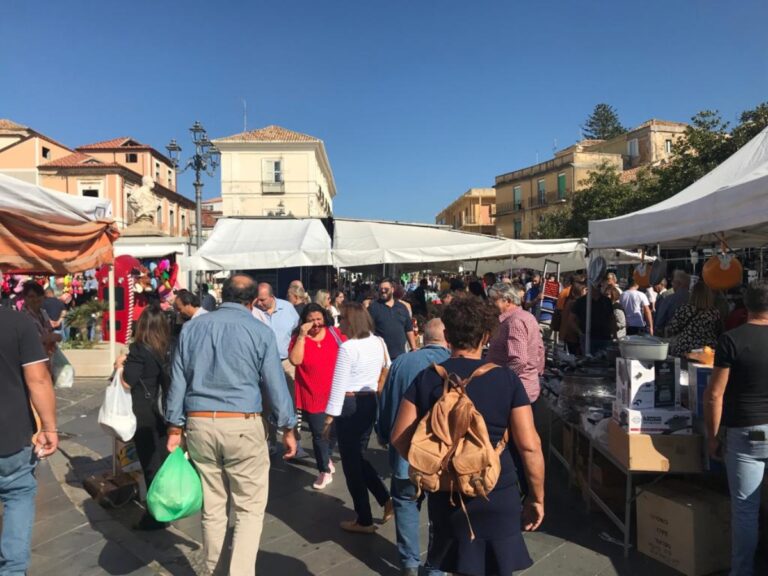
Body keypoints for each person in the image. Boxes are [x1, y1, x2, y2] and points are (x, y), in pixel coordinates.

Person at [391, 296, 545, 576]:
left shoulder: (427, 378)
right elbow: (530, 446)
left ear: (447, 335)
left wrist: (438, 464)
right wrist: (536, 498)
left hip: (448, 494)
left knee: (459, 565)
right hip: (496, 488)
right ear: (486, 336)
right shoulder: (507, 380)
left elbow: (399, 436)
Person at [165, 274, 297, 575]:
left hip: (199, 423)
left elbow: (178, 380)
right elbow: (275, 384)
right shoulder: (259, 331)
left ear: (222, 296)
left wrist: (174, 427)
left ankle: (214, 571)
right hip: (242, 423)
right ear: (252, 302)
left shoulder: (192, 328)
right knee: (249, 509)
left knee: (213, 509)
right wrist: (288, 427)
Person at [704, 281, 768, 576]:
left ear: (745, 306)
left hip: (746, 431)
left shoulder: (731, 339)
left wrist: (713, 436)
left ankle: (742, 572)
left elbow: (715, 394)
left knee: (745, 510)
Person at [378, 319, 450, 576]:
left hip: (405, 454)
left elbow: (386, 405)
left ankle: (409, 563)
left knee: (406, 504)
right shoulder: (453, 365)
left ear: (421, 337)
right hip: (441, 459)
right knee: (441, 514)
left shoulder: (401, 363)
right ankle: (435, 567)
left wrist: (384, 433)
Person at [323, 302, 393, 533]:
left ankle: (364, 518)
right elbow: (387, 367)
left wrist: (329, 418)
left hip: (349, 404)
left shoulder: (348, 347)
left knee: (352, 464)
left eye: (341, 318)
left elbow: (338, 384)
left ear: (350, 321)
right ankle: (385, 499)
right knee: (358, 457)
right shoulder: (378, 342)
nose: (338, 321)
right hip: (370, 401)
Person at [0, 306, 58, 575]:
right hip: (11, 432)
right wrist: (50, 427)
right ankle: (12, 571)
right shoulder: (17, 322)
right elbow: (38, 380)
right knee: (18, 495)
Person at [116, 304, 171, 530]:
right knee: (163, 459)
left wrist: (120, 365)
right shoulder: (168, 347)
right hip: (165, 410)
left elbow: (128, 380)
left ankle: (155, 515)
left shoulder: (138, 349)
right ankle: (166, 505)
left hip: (144, 412)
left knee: (150, 463)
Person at [288, 303, 346, 490]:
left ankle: (326, 456)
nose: (315, 324)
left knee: (336, 430)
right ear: (304, 321)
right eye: (311, 320)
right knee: (319, 434)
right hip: (312, 393)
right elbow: (295, 360)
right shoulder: (298, 338)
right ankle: (324, 470)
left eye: (319, 319)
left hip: (335, 392)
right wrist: (302, 337)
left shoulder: (335, 333)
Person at [255, 282, 302, 456]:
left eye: (263, 300)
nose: (260, 303)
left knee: (290, 401)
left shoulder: (288, 308)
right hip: (263, 363)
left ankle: (295, 440)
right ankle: (271, 440)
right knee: (266, 403)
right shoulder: (254, 311)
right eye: (258, 300)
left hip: (286, 361)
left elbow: (297, 332)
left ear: (272, 296)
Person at [486, 283, 545, 403]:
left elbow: (519, 360)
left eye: (493, 300)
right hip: (524, 387)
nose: (490, 304)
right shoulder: (527, 316)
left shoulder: (514, 321)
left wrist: (500, 379)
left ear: (507, 300)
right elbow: (540, 351)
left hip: (514, 391)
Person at [666, 282, 722, 357]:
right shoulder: (715, 313)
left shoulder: (685, 309)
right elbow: (718, 331)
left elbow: (672, 328)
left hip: (686, 349)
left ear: (693, 294)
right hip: (707, 352)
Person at [368, 278, 417, 361]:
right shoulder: (373, 307)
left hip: (400, 355)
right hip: (381, 356)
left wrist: (414, 348)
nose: (383, 291)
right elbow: (368, 330)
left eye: (386, 289)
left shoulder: (402, 307)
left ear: (392, 290)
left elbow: (409, 329)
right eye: (380, 289)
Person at [21, 282, 61, 362]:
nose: (36, 299)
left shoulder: (43, 313)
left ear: (43, 297)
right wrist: (47, 338)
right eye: (31, 296)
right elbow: (26, 341)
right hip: (33, 359)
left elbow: (49, 330)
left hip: (47, 355)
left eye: (39, 296)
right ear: (25, 298)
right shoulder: (23, 316)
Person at [572, 283, 615, 352]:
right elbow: (571, 320)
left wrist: (614, 335)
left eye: (598, 286)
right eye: (594, 286)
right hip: (588, 338)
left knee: (604, 360)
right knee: (589, 360)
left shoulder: (606, 301)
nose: (597, 288)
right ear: (589, 287)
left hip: (605, 337)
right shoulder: (581, 301)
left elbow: (612, 318)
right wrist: (580, 333)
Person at [559, 282, 586, 355]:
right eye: (584, 290)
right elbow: (571, 321)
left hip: (566, 334)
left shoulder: (568, 301)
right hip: (572, 335)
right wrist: (580, 332)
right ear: (579, 291)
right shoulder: (574, 303)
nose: (586, 292)